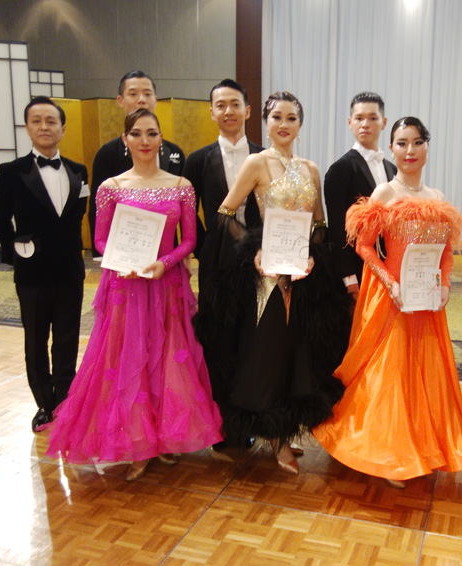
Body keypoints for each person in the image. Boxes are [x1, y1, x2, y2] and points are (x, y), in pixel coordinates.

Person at [312, 117, 462, 488]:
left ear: (426, 146)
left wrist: (445, 285)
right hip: (392, 297)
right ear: (392, 148)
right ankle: (391, 453)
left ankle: (422, 444)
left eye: (416, 142)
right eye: (401, 143)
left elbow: (445, 252)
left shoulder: (437, 198)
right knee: (391, 373)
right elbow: (364, 246)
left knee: (423, 371)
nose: (410, 151)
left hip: (427, 300)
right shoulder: (384, 193)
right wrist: (390, 282)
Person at [46, 108, 223, 481]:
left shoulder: (181, 186)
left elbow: (189, 240)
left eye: (152, 133)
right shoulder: (111, 187)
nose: (145, 140)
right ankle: (137, 442)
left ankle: (166, 436)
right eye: (137, 133)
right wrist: (122, 261)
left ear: (161, 139)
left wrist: (165, 262)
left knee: (168, 356)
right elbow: (99, 239)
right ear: (125, 140)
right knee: (129, 359)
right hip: (126, 286)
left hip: (166, 284)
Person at [196, 92, 349, 474]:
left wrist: (313, 255)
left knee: (296, 350)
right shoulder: (257, 162)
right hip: (267, 274)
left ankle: (284, 428)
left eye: (291, 118)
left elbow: (319, 224)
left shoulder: (311, 168)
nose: (284, 124)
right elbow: (225, 214)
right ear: (265, 121)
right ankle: (275, 436)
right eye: (277, 117)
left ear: (300, 123)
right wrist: (256, 252)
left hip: (301, 273)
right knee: (269, 348)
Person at [0, 96, 88, 433]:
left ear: (62, 127)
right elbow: (0, 220)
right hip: (32, 274)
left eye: (51, 121)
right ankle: (44, 404)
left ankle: (64, 401)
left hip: (70, 271)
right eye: (37, 121)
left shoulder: (78, 171)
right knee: (35, 340)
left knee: (67, 339)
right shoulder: (11, 171)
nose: (44, 127)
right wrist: (17, 256)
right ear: (27, 127)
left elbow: (77, 218)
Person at [183, 78, 264, 451]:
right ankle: (220, 423)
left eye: (235, 104)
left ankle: (251, 420)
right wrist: (204, 247)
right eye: (221, 105)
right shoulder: (198, 160)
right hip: (216, 264)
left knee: (253, 338)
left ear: (247, 110)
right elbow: (188, 213)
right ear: (211, 112)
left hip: (260, 262)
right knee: (217, 340)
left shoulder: (265, 156)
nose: (228, 111)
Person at [89, 71, 186, 258]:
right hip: (123, 255)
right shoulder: (107, 154)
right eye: (133, 94)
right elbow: (96, 209)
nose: (141, 100)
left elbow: (183, 209)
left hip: (168, 254)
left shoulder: (175, 152)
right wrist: (104, 256)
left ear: (156, 100)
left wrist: (183, 254)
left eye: (147, 94)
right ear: (120, 100)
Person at [323, 92, 397, 304]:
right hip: (356, 268)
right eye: (359, 118)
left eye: (372, 118)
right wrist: (349, 279)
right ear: (350, 122)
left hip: (389, 267)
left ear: (383, 123)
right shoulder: (340, 169)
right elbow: (337, 230)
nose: (365, 124)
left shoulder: (392, 169)